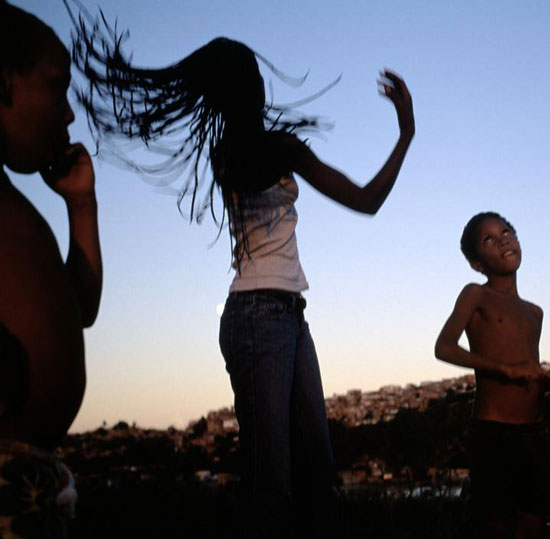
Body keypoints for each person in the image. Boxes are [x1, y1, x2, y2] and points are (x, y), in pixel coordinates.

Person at [67, 8, 414, 536]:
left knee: (315, 476)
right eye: (253, 74)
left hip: (287, 316)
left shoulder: (229, 150)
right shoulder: (269, 148)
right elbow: (366, 200)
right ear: (246, 87)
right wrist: (405, 134)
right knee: (272, 486)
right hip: (259, 316)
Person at [0, 1, 102, 535]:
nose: (67, 114)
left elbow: (80, 309)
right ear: (3, 83)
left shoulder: (19, 213)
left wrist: (80, 206)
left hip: (33, 482)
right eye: (57, 87)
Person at [435, 212, 550, 539]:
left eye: (507, 231)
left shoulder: (534, 312)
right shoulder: (475, 295)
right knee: (495, 526)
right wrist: (504, 369)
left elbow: (529, 366)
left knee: (533, 524)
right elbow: (444, 347)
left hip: (535, 431)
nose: (503, 240)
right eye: (489, 239)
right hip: (494, 431)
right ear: (476, 264)